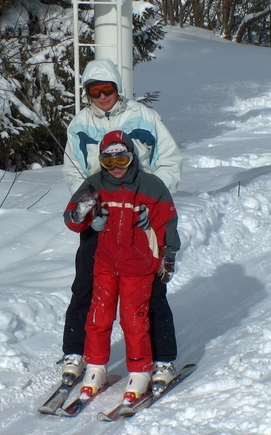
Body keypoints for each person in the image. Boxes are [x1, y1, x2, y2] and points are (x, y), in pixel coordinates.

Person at [61, 58, 183, 392]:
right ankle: (76, 354)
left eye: (108, 89)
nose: (102, 97)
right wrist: (86, 202)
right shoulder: (80, 124)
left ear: (118, 87)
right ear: (87, 93)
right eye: (94, 91)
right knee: (87, 286)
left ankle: (162, 360)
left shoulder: (144, 118)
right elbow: (72, 168)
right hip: (100, 217)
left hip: (140, 218)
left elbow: (170, 161)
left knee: (151, 292)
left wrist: (150, 199)